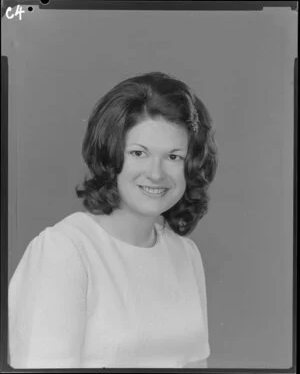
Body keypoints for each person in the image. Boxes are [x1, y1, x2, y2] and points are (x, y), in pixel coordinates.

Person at [8, 71, 218, 368]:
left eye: (173, 157)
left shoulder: (185, 254)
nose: (156, 173)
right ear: (111, 156)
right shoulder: (64, 251)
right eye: (138, 153)